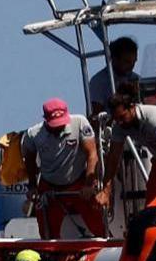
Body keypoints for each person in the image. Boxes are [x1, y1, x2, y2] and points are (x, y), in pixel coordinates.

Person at [22, 98, 106, 238]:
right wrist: (32, 186)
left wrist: (89, 184)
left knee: (98, 224)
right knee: (47, 231)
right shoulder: (33, 134)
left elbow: (92, 154)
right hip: (49, 186)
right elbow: (29, 161)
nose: (58, 127)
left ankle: (106, 242)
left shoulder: (80, 122)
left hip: (79, 183)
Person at [88, 37, 140, 118]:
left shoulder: (137, 79)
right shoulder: (98, 81)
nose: (131, 66)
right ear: (115, 59)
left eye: (134, 62)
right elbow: (96, 116)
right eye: (127, 62)